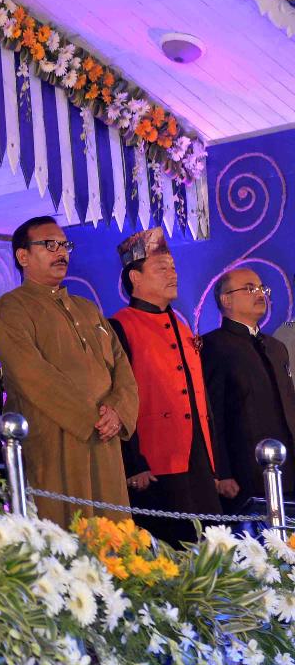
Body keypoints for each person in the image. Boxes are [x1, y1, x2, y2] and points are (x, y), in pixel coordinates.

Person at [0, 216, 139, 526]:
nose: (61, 252)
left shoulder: (87, 308)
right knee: (65, 531)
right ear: (23, 256)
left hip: (105, 437)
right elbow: (31, 374)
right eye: (49, 245)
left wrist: (118, 411)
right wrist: (91, 418)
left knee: (114, 533)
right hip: (56, 439)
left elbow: (122, 366)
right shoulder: (12, 307)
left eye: (64, 245)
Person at [108, 228, 219, 545]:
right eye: (161, 268)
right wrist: (133, 463)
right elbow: (118, 396)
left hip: (197, 457)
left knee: (211, 546)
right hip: (154, 463)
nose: (173, 274)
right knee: (170, 548)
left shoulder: (182, 326)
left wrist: (216, 467)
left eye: (173, 267)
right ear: (135, 278)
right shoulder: (120, 326)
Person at [202, 268, 295, 512]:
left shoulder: (276, 347)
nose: (260, 294)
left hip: (287, 468)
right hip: (245, 471)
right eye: (250, 288)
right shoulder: (213, 346)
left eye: (262, 288)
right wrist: (222, 471)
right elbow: (213, 413)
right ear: (226, 300)